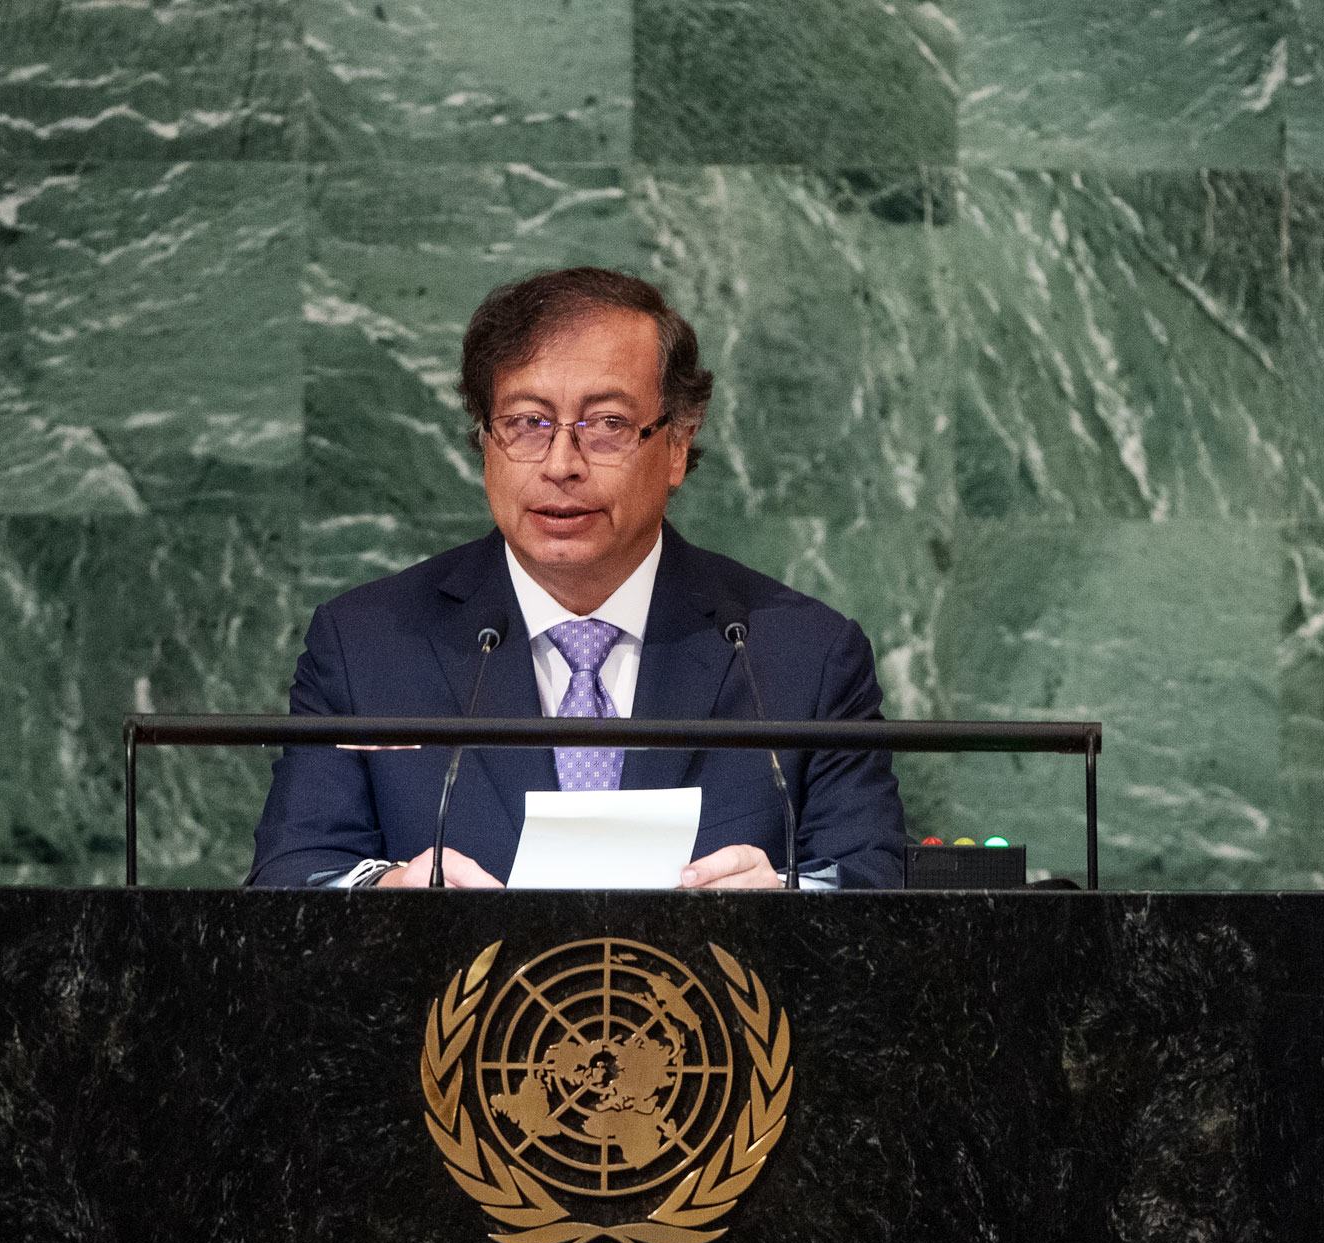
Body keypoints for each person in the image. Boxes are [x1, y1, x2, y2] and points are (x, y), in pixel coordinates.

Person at [249, 267, 904, 889]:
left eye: (607, 425)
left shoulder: (801, 657)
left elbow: (876, 885)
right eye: (527, 423)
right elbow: (290, 875)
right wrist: (388, 888)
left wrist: (792, 899)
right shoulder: (367, 647)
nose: (561, 463)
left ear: (677, 443)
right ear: (484, 439)